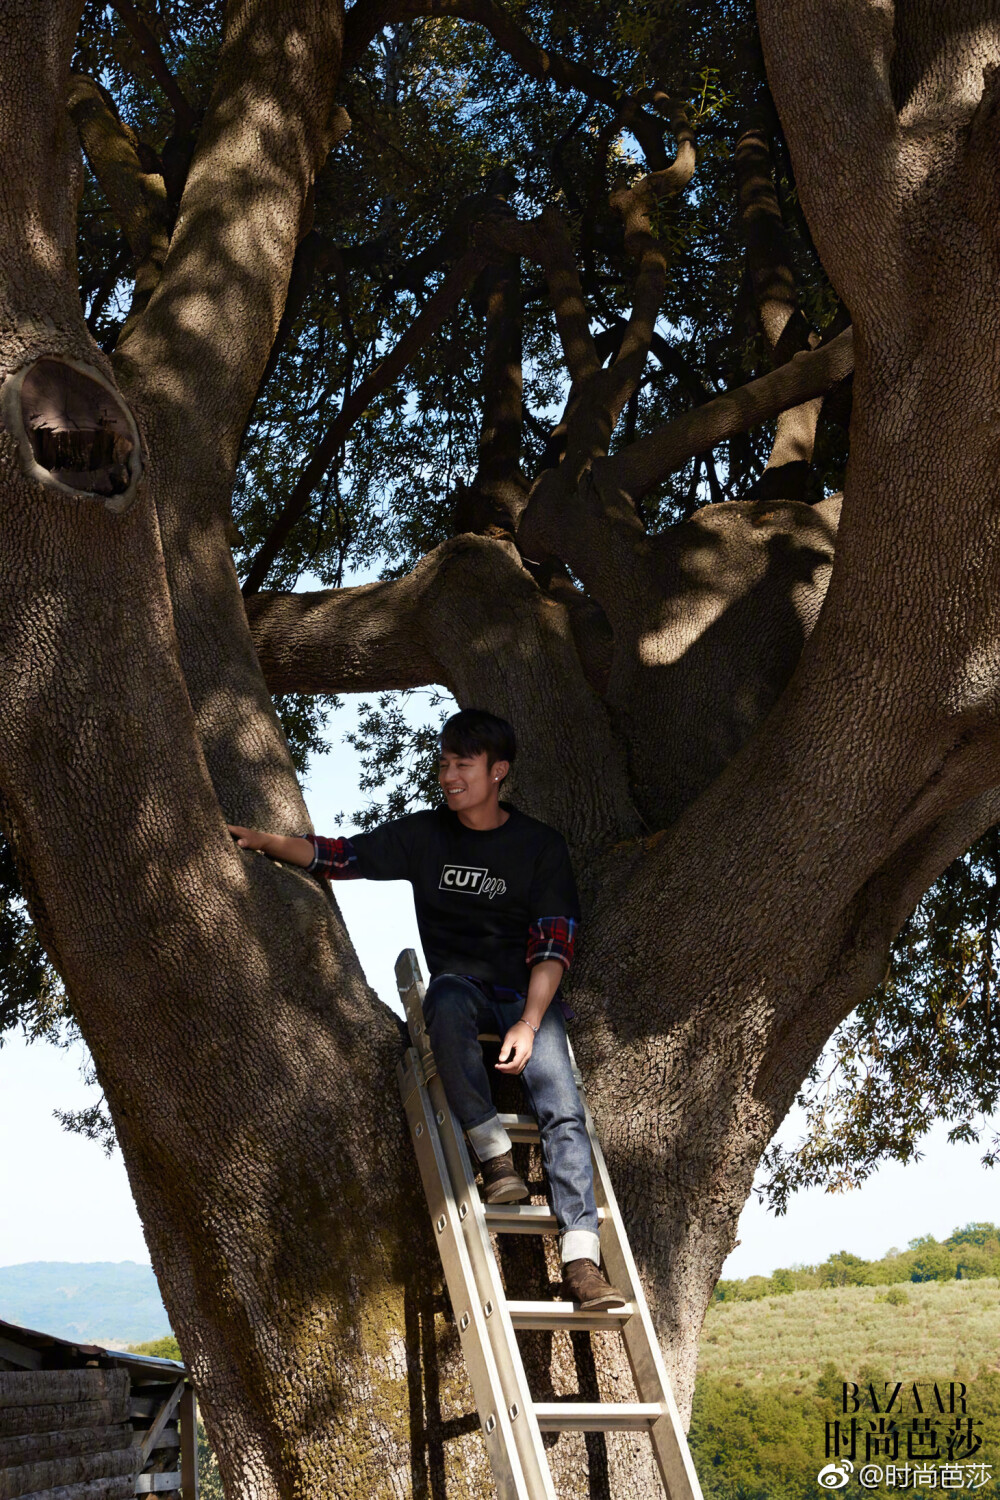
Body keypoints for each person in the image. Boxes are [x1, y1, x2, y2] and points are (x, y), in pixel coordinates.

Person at [228, 707, 625, 1311]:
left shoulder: (539, 846)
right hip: (460, 988)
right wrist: (263, 842)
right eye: (443, 764)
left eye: (462, 765)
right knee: (443, 1000)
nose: (447, 776)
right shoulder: (425, 837)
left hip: (526, 995)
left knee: (564, 1111)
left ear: (498, 772)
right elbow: (339, 856)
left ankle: (581, 1263)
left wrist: (528, 1021)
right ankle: (495, 1157)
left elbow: (552, 944)